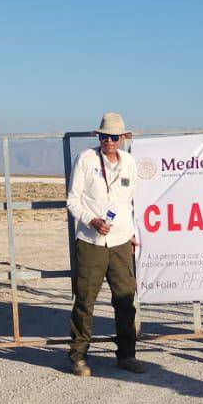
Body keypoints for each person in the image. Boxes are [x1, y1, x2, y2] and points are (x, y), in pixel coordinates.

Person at [66, 111, 147, 376]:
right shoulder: (86, 159)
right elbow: (73, 200)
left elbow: (129, 202)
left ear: (122, 138)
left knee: (125, 299)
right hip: (91, 241)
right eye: (104, 136)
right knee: (85, 300)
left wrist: (131, 231)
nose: (108, 141)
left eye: (113, 137)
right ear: (98, 137)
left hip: (121, 241)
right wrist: (91, 220)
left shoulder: (129, 163)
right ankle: (78, 357)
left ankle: (127, 355)